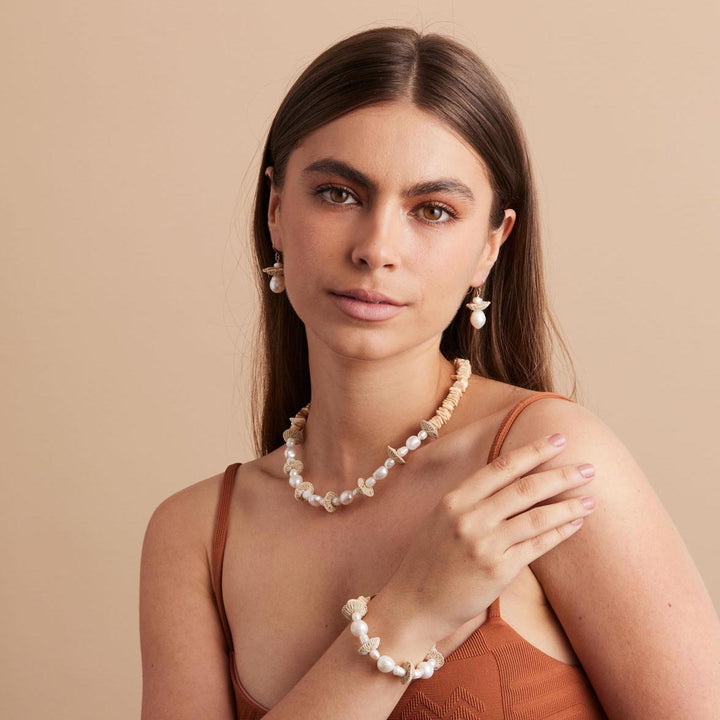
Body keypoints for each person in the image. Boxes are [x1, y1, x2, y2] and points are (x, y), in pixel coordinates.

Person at [139, 26, 720, 719]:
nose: (377, 248)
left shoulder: (545, 466)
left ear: (490, 247)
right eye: (338, 194)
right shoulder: (195, 537)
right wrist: (408, 613)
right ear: (274, 210)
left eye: (433, 211)